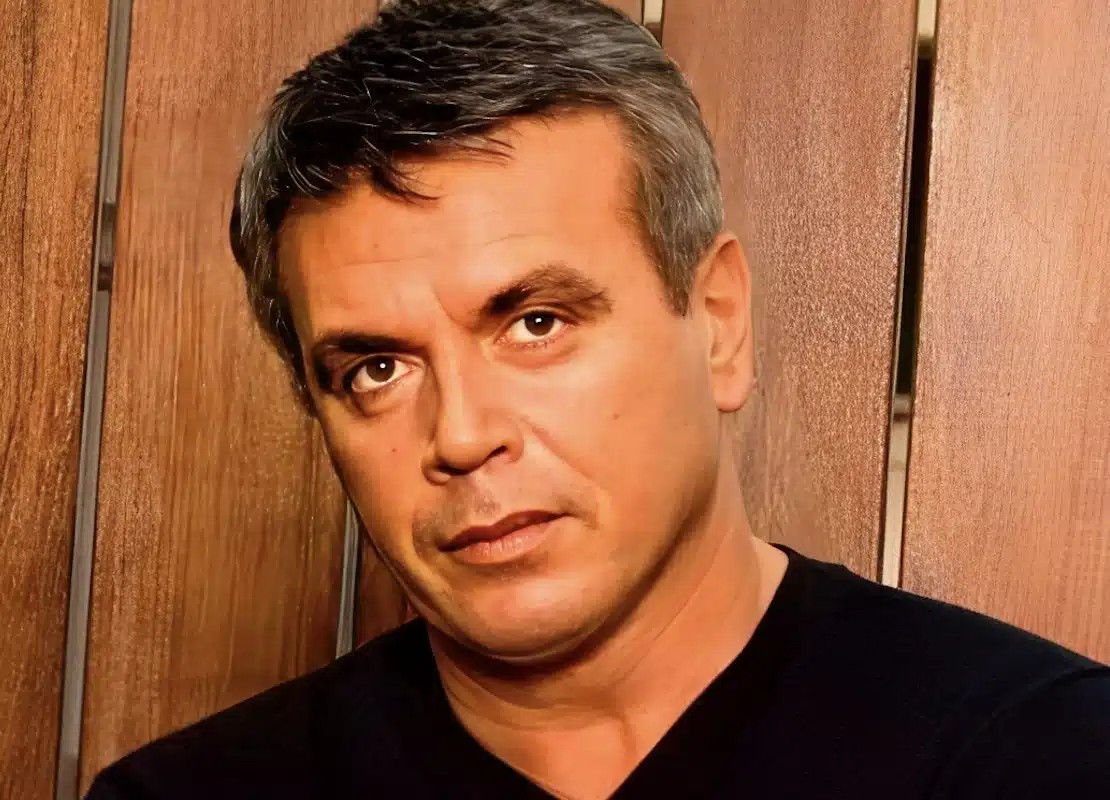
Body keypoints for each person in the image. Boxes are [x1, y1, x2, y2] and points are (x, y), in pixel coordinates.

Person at [85, 1, 1110, 797]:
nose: (463, 435)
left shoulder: (1046, 755)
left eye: (536, 322)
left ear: (717, 321)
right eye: (377, 369)